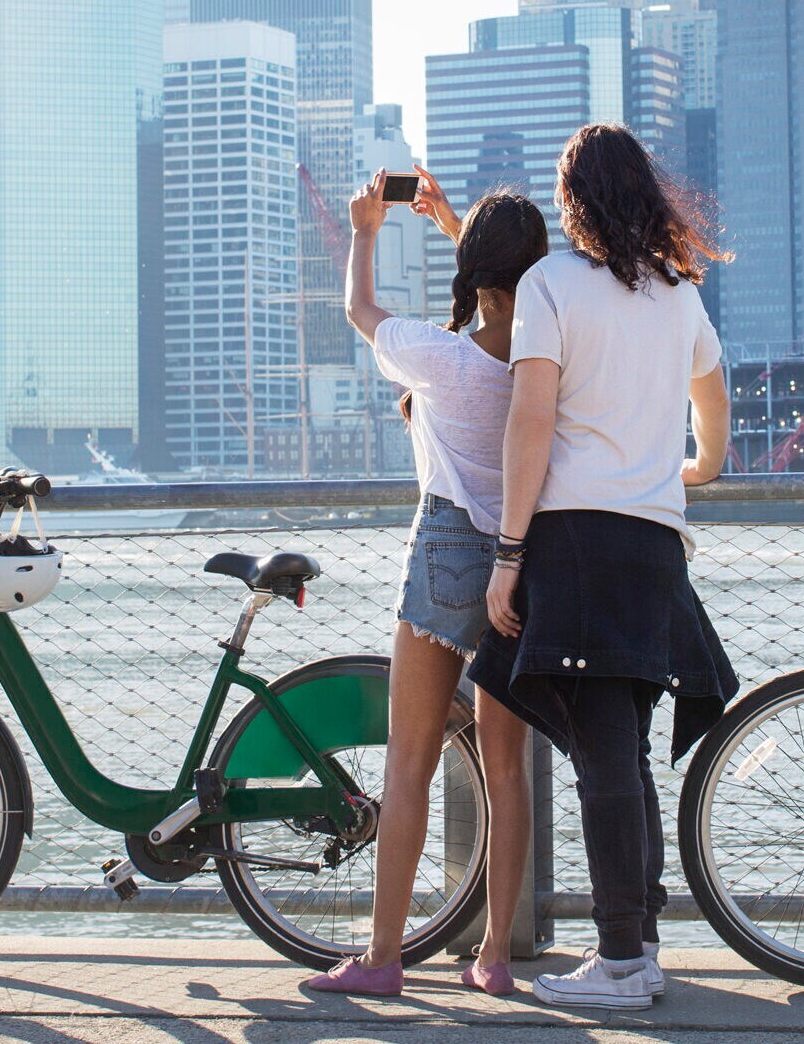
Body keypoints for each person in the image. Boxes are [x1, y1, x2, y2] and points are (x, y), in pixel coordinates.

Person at [469, 124, 737, 1011]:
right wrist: (687, 471)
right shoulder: (679, 295)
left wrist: (508, 557)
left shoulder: (551, 287)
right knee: (617, 749)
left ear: (575, 202)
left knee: (605, 760)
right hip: (654, 546)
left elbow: (531, 422)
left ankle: (623, 961)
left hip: (576, 542)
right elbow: (715, 419)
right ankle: (639, 945)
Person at [304, 167, 547, 999]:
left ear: (474, 275)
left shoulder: (441, 360)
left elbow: (360, 311)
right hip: (523, 562)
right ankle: (497, 961)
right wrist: (460, 226)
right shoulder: (551, 360)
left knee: (408, 760)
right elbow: (519, 292)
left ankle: (381, 960)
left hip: (446, 550)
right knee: (508, 770)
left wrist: (368, 230)